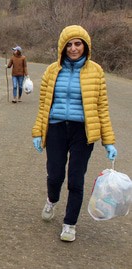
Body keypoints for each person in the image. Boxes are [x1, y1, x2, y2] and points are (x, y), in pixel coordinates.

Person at [32, 25, 118, 242]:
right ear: (62, 47)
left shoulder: (96, 71)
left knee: (76, 180)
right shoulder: (52, 70)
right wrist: (37, 132)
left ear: (86, 46)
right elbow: (43, 105)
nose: (73, 48)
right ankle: (52, 200)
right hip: (56, 128)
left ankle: (70, 224)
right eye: (69, 44)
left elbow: (102, 108)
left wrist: (108, 141)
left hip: (83, 131)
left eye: (78, 44)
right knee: (55, 175)